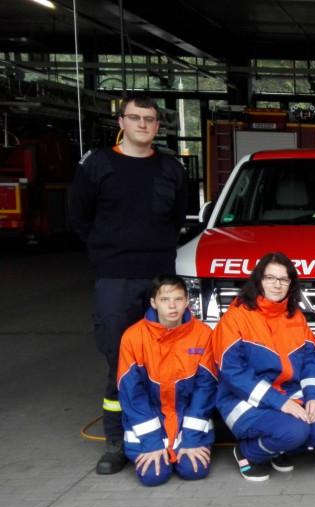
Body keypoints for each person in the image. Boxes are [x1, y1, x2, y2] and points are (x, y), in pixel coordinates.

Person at [70, 93, 188, 475]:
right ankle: (117, 443)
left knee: (166, 356)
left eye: (149, 119)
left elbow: (176, 218)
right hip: (116, 277)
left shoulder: (170, 169)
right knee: (120, 361)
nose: (142, 124)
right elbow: (79, 218)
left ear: (157, 126)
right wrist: (108, 253)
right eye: (135, 118)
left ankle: (161, 435)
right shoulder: (98, 165)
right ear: (121, 122)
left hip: (159, 277)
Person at [212, 252, 315, 482]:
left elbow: (313, 359)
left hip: (289, 396)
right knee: (295, 431)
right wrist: (281, 403)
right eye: (271, 277)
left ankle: (276, 448)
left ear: (291, 284)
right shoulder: (235, 318)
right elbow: (234, 374)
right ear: (259, 280)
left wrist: (314, 397)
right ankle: (248, 453)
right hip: (243, 401)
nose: (277, 284)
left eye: (283, 279)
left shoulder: (295, 317)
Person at [116, 275, 217, 487]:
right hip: (149, 421)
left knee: (193, 470)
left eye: (178, 299)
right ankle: (161, 450)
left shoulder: (203, 334)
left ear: (187, 300)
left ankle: (183, 447)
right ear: (153, 302)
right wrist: (152, 443)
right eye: (164, 300)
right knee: (154, 476)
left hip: (186, 420)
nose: (172, 306)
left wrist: (190, 439)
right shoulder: (133, 337)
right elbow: (132, 394)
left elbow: (205, 389)